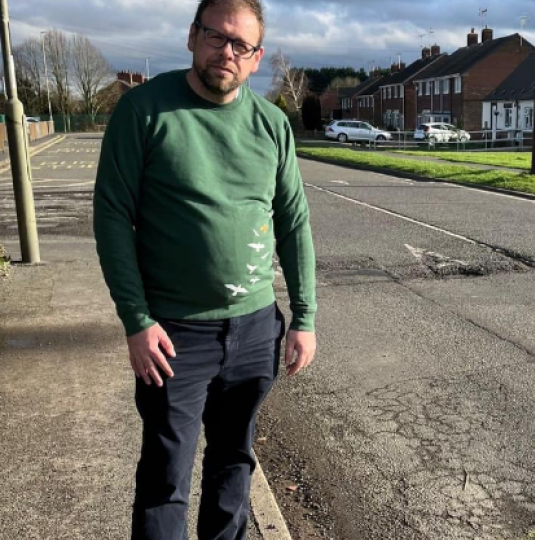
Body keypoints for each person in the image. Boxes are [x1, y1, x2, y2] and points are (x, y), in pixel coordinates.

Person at [93, 0, 316, 538]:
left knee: (233, 464)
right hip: (173, 334)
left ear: (256, 58)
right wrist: (136, 320)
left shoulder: (271, 124)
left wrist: (304, 318)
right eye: (217, 37)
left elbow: (293, 223)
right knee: (166, 475)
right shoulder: (144, 111)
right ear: (193, 36)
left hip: (257, 328)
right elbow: (111, 218)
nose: (227, 52)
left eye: (241, 45)